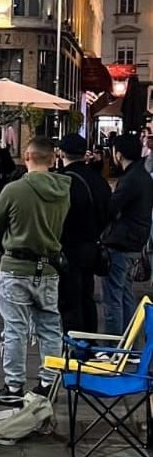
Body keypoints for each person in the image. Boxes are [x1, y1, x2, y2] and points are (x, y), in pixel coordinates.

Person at [0, 136, 70, 406]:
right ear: (53, 158)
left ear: (27, 157)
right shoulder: (65, 189)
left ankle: (14, 385)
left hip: (17, 266)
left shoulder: (14, 189)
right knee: (50, 327)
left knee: (15, 329)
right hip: (49, 267)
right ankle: (48, 382)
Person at [57, 133, 111, 335]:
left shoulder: (63, 181)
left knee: (69, 298)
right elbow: (109, 211)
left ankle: (75, 344)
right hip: (92, 245)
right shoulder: (99, 180)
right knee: (87, 295)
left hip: (69, 246)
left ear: (62, 153)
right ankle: (90, 338)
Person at [101, 134, 153, 335]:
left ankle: (115, 345)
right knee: (125, 293)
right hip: (135, 240)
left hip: (122, 242)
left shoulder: (130, 179)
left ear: (118, 154)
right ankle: (128, 343)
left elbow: (111, 208)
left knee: (113, 296)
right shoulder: (142, 176)